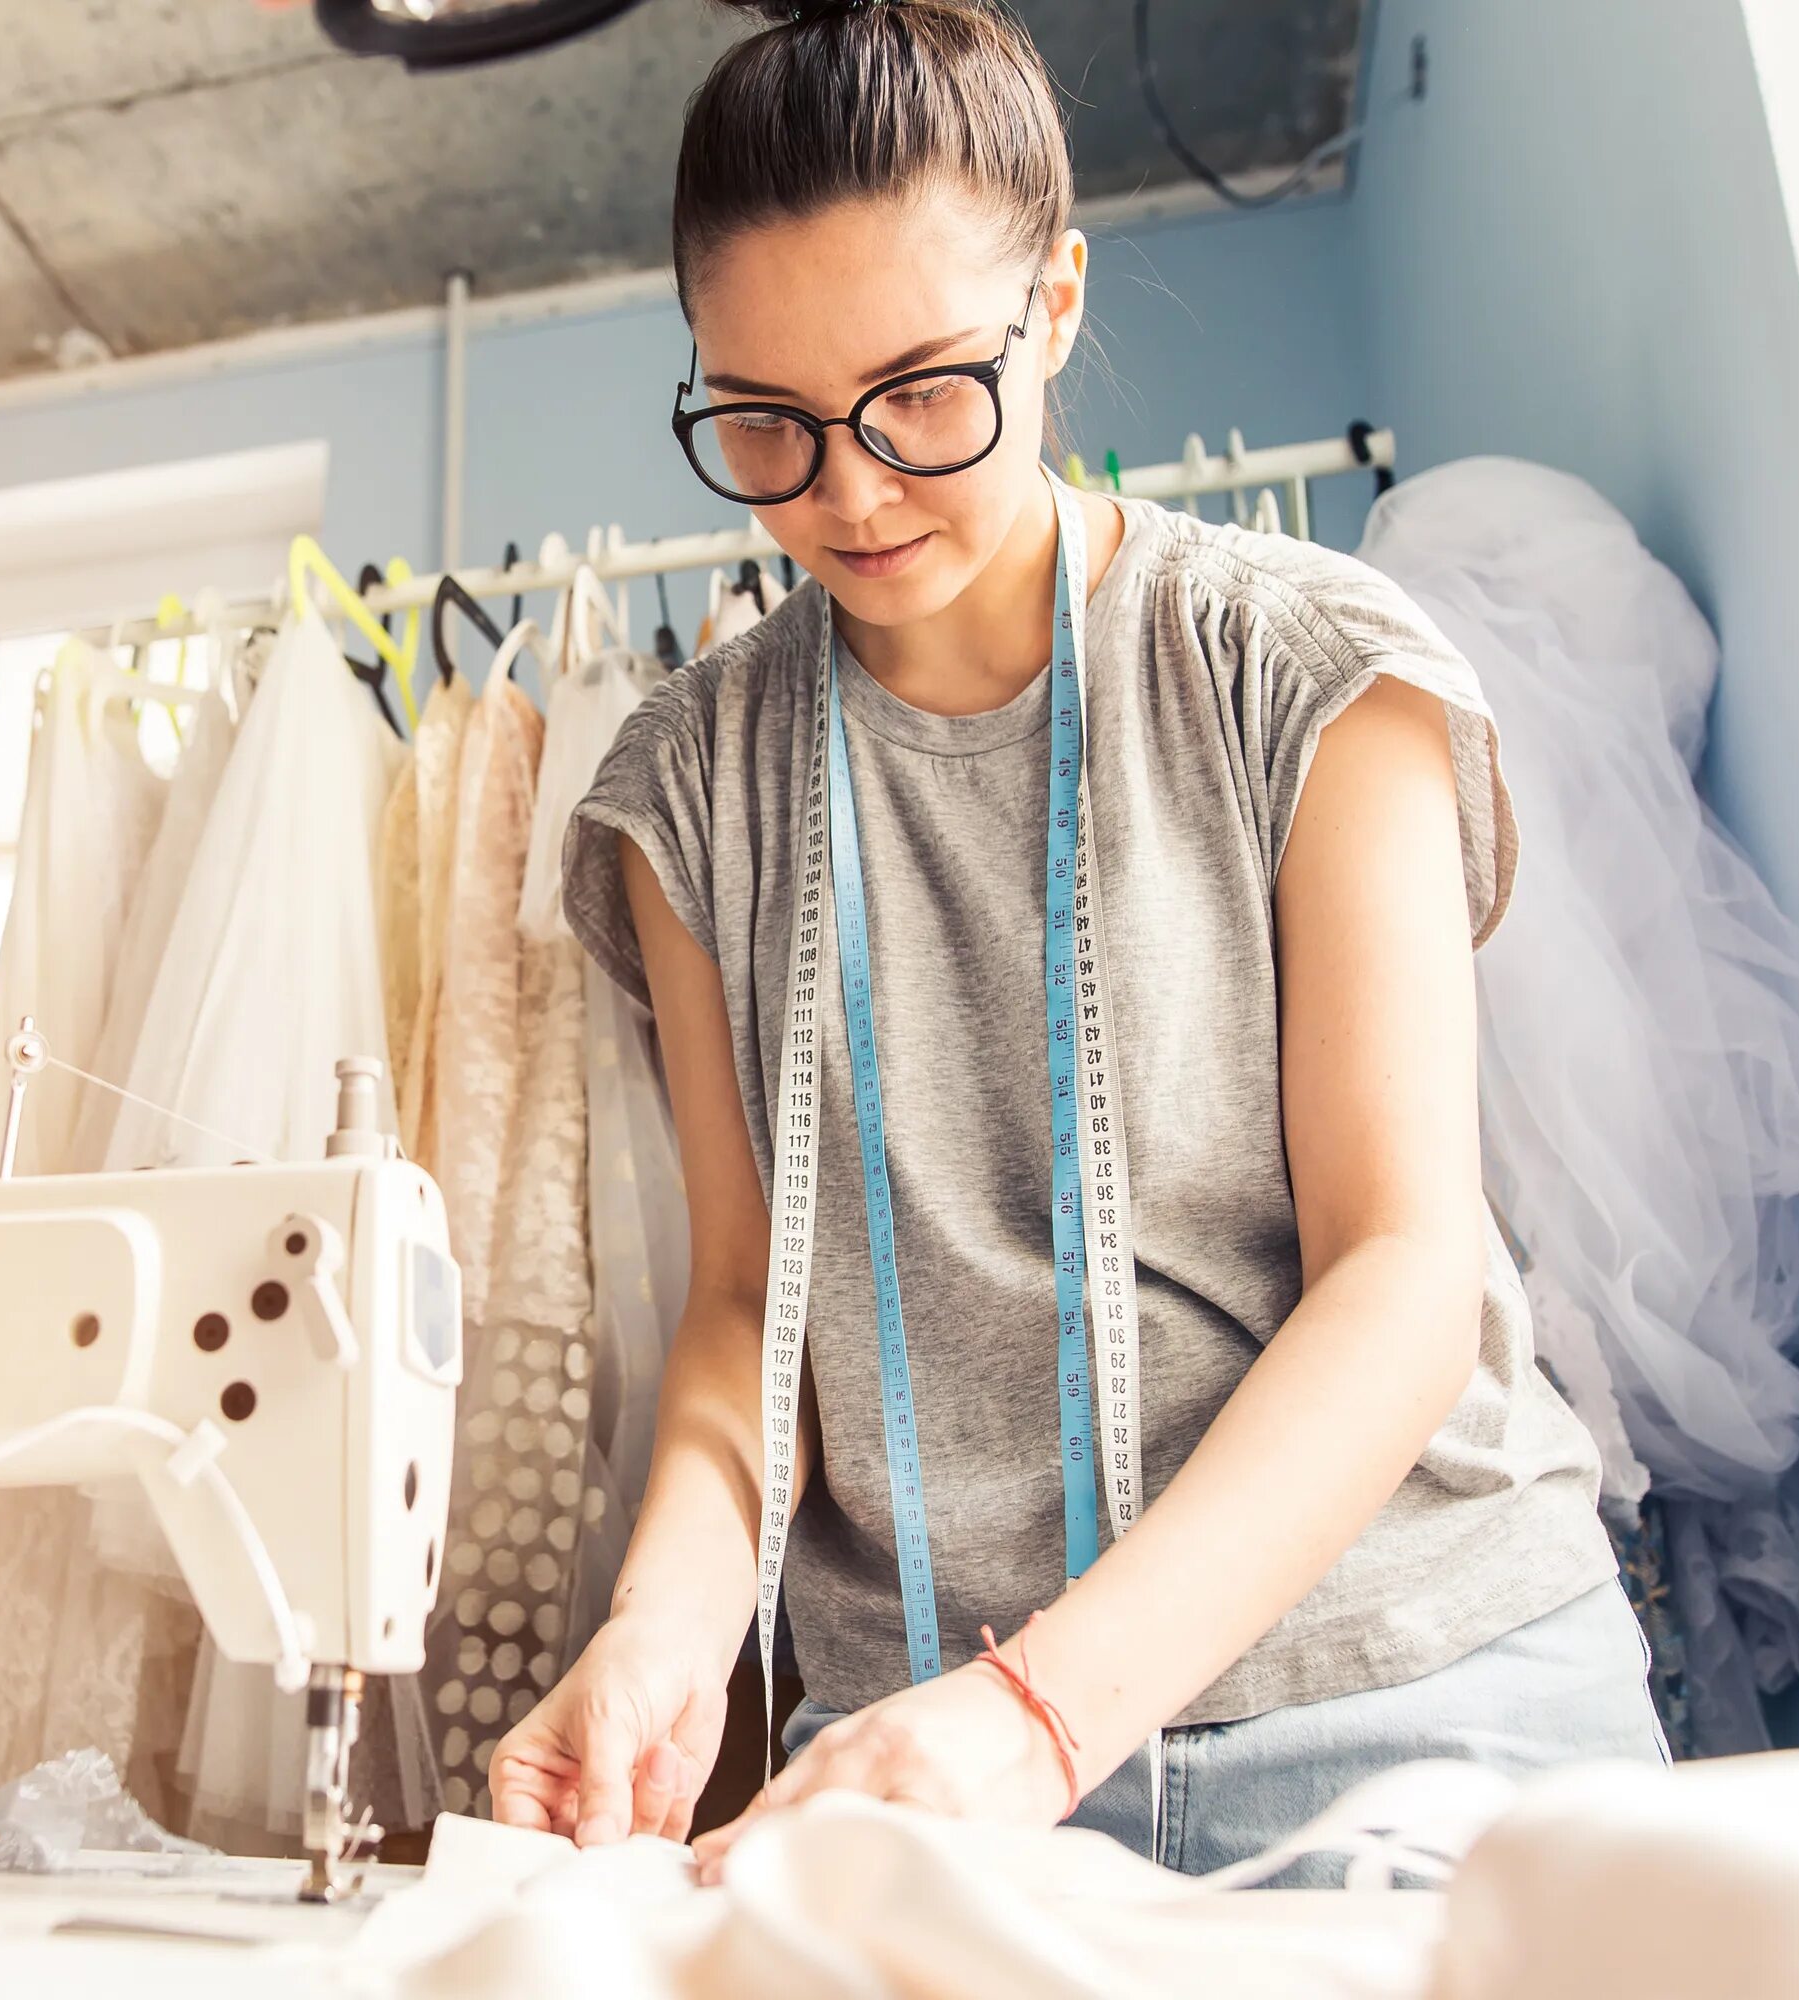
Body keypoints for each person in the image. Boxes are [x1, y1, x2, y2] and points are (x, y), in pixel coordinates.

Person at [504, 0, 1663, 1883]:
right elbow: (744, 1315)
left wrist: (1043, 1715)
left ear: (1052, 307)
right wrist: (665, 1634)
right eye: (765, 424)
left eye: (921, 396)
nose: (850, 492)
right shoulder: (686, 791)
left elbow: (1401, 1269)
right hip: (907, 1755)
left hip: (1417, 1703)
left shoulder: (1305, 673)